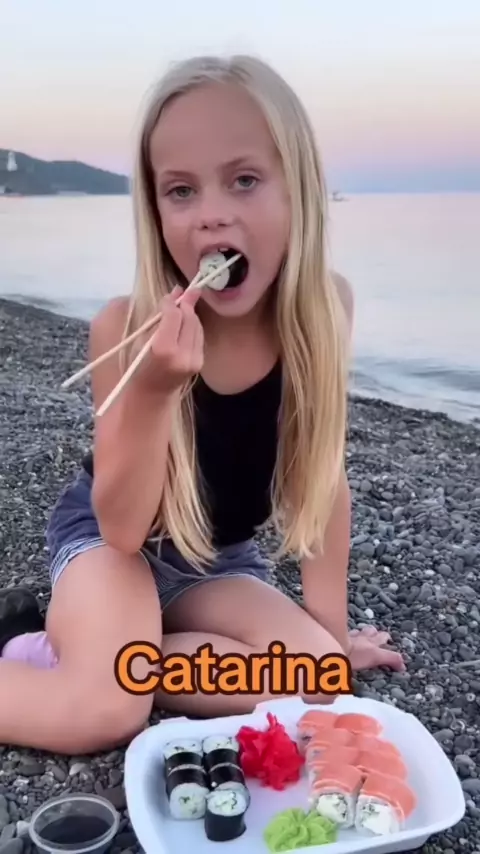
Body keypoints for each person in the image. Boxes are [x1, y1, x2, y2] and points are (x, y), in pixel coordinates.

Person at [0, 54, 404, 756]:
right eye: (181, 191)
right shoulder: (126, 328)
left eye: (245, 180)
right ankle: (97, 657)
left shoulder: (326, 309)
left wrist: (332, 638)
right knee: (101, 713)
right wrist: (156, 391)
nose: (212, 213)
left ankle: (91, 647)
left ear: (298, 189)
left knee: (319, 678)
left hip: (216, 559)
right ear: (156, 213)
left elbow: (324, 481)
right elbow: (122, 528)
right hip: (113, 547)